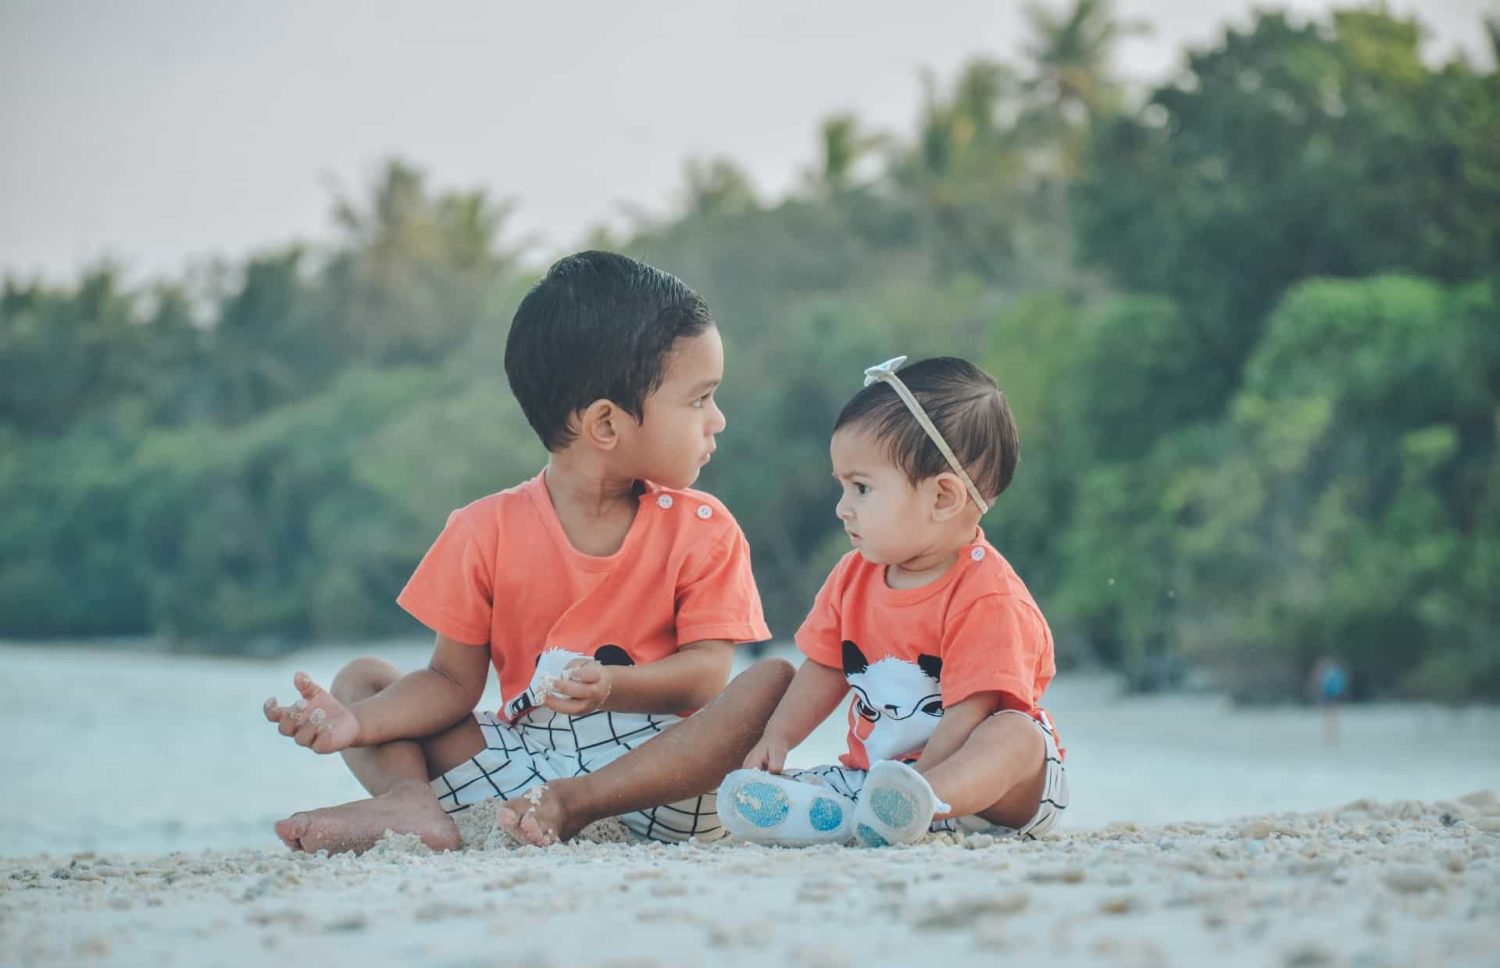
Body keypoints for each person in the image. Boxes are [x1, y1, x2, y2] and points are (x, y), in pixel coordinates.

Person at [262, 250, 786, 854]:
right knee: (362, 680)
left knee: (770, 680)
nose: (717, 420)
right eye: (699, 400)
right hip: (522, 770)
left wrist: (611, 687)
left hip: (656, 781)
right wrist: (358, 725)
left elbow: (704, 679)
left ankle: (576, 804)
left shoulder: (703, 528)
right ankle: (410, 801)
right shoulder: (483, 529)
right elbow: (450, 684)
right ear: (607, 426)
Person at [717, 355, 1069, 846]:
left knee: (1014, 737)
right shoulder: (852, 577)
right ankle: (838, 811)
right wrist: (779, 737)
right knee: (835, 782)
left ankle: (911, 803)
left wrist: (921, 780)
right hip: (881, 777)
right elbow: (823, 669)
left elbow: (969, 712)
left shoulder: (987, 595)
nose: (843, 508)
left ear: (943, 498)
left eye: (861, 488)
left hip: (995, 792)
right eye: (842, 487)